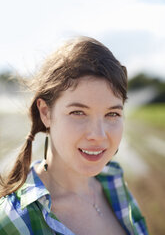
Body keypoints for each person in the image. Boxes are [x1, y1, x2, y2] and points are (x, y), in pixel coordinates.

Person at [0, 36, 149, 235]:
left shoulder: (115, 183)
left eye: (112, 114)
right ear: (45, 113)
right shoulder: (15, 221)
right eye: (78, 112)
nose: (98, 134)